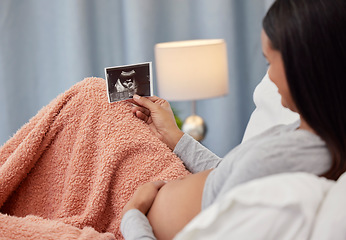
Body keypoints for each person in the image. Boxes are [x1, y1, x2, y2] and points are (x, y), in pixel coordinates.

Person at [120, 0, 346, 239]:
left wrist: (132, 215)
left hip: (138, 220)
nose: (268, 77)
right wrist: (174, 137)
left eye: (270, 62)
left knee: (90, 98)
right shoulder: (298, 134)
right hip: (150, 198)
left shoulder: (289, 160)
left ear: (303, 67)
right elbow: (228, 173)